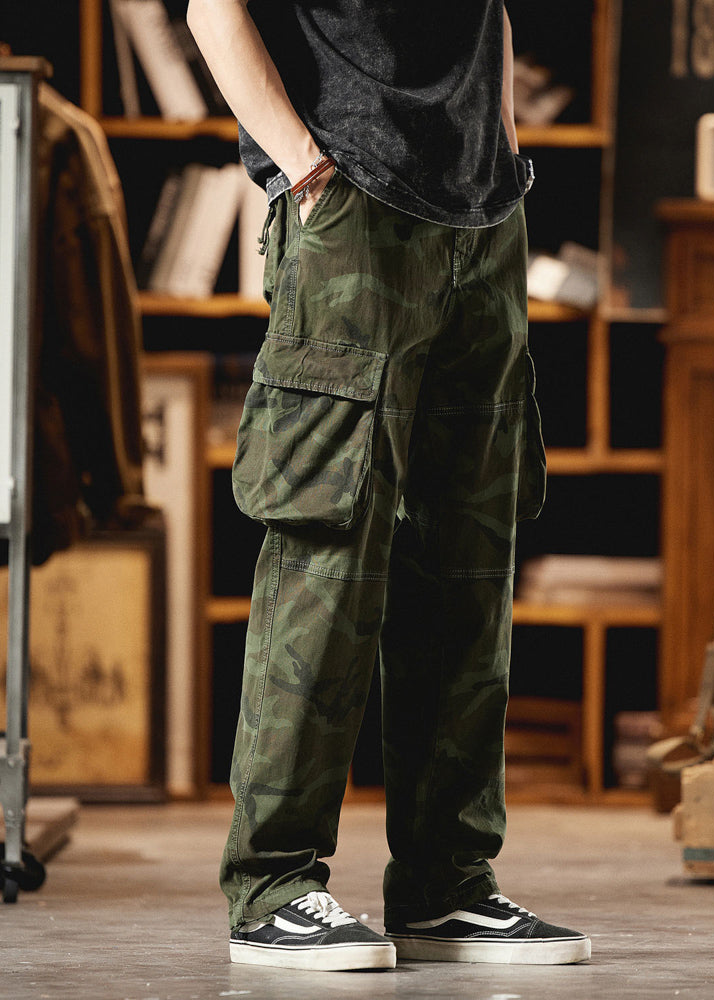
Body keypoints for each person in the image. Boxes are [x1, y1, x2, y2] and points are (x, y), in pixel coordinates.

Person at [187, 0, 591, 972]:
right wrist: (304, 168)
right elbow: (212, 7)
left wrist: (501, 149)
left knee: (469, 562)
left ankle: (447, 884)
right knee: (326, 555)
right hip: (352, 205)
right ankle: (274, 885)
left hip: (483, 219)